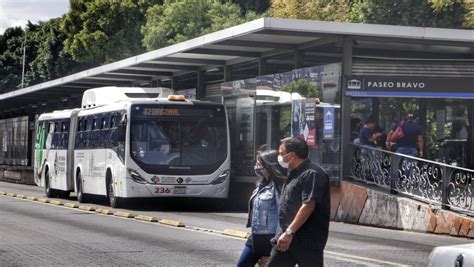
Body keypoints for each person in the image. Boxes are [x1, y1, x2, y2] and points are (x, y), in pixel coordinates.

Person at [267, 137, 330, 267]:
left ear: (292, 155)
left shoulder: (312, 174)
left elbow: (308, 205)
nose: (279, 157)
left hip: (306, 241)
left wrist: (290, 232)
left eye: (281, 153)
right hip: (286, 239)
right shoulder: (294, 173)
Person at [237, 149, 285, 267]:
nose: (256, 167)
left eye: (259, 164)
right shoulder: (260, 184)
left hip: (271, 238)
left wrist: (277, 241)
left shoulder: (278, 186)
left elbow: (282, 214)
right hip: (256, 237)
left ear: (268, 166)